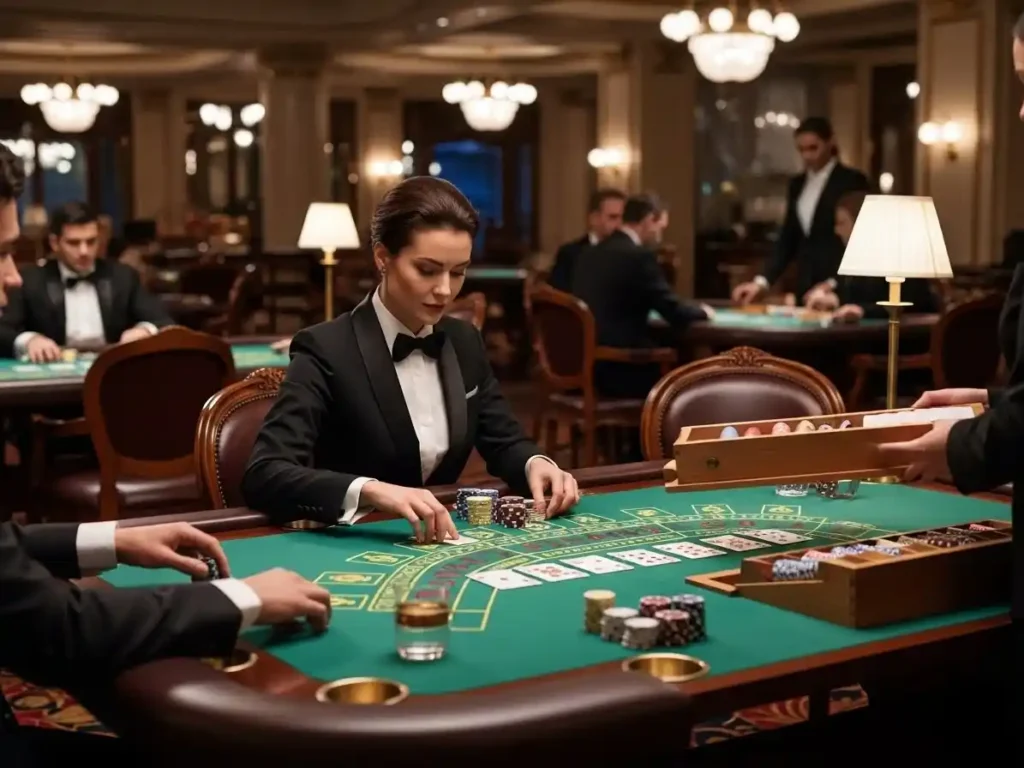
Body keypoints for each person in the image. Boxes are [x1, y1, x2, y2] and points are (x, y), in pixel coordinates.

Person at [0, 144, 332, 763]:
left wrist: (112, 539)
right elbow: (54, 629)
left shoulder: (122, 280)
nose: (13, 276)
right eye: (0, 254)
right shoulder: (37, 289)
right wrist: (243, 598)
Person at [242, 176, 579, 540]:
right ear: (383, 258)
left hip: (442, 544)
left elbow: (504, 440)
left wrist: (536, 463)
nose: (445, 290)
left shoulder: (464, 340)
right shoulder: (326, 348)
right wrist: (371, 490)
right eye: (427, 270)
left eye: (459, 272)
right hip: (356, 544)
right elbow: (265, 473)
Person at [570, 192, 712, 399]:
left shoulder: (589, 253)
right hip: (619, 369)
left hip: (584, 364)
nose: (660, 235)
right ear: (648, 220)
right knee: (687, 370)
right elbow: (672, 310)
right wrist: (703, 312)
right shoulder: (638, 256)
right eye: (660, 227)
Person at [0, 201, 173, 362]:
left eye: (91, 242)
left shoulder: (123, 276)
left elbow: (162, 321)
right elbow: (3, 329)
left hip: (110, 372)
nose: (84, 251)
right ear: (55, 243)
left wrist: (144, 330)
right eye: (74, 243)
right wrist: (29, 340)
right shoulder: (29, 280)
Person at [732, 117, 871, 306]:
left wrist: (834, 283)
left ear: (830, 142)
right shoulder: (796, 185)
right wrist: (762, 282)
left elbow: (861, 241)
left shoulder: (852, 180)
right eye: (802, 150)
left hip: (842, 285)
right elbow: (788, 239)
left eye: (813, 148)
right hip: (805, 283)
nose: (807, 156)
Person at [805, 190, 939, 321]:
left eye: (842, 223)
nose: (836, 230)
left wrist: (862, 311)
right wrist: (833, 300)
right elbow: (854, 295)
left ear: (860, 222)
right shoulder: (853, 258)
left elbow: (910, 304)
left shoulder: (898, 256)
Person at [548, 188, 625, 293]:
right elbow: (559, 298)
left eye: (623, 218)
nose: (620, 224)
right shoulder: (571, 253)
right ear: (594, 219)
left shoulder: (631, 254)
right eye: (613, 217)